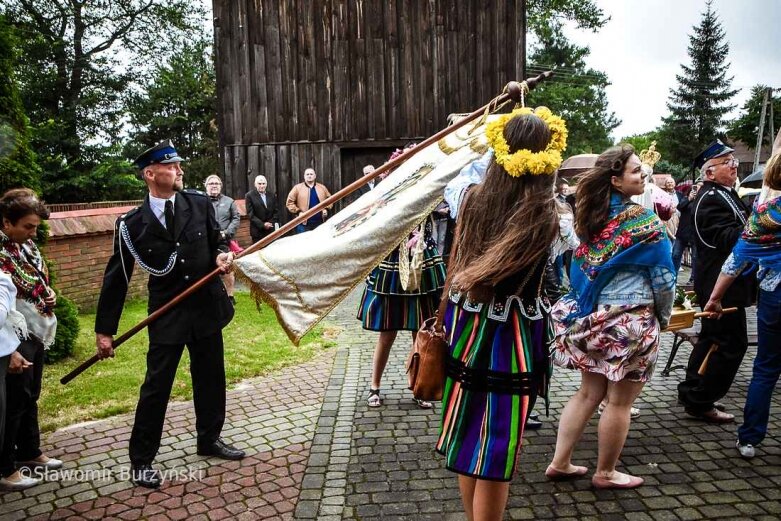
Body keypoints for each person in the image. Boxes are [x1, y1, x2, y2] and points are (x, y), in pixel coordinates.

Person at [436, 107, 566, 520]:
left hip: (466, 326)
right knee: (497, 444)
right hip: (514, 338)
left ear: (499, 152)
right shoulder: (549, 216)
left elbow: (455, 176)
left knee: (470, 434)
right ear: (546, 159)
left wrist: (490, 129)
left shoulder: (470, 199)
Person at [94, 140, 243, 489]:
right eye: (172, 166)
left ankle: (209, 439)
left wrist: (222, 256)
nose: (180, 170)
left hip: (206, 306)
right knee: (156, 386)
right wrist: (105, 330)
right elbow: (117, 278)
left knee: (211, 378)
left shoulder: (198, 203)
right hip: (167, 313)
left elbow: (217, 242)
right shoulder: (131, 225)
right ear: (150, 174)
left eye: (179, 165)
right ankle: (141, 459)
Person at [548, 144, 675, 490]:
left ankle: (560, 462)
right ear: (616, 180)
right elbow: (664, 278)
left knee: (588, 394)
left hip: (595, 320)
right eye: (636, 171)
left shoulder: (591, 219)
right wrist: (663, 318)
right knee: (619, 402)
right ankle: (606, 472)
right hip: (632, 321)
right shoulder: (645, 222)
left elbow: (579, 270)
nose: (643, 175)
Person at [703, 135, 781, 459]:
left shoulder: (765, 214)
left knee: (765, 367)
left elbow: (736, 260)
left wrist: (714, 298)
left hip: (774, 297)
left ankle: (749, 439)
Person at [357, 146, 446, 410]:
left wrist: (423, 238)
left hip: (422, 265)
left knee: (418, 331)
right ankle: (374, 386)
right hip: (393, 267)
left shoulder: (428, 189)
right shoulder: (388, 194)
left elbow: (433, 220)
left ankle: (419, 387)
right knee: (387, 332)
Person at [677, 140, 754, 423]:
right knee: (729, 344)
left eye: (734, 161)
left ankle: (693, 394)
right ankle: (701, 399)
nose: (735, 167)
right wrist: (759, 227)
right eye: (728, 163)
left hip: (723, 284)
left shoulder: (722, 193)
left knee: (712, 341)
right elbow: (725, 240)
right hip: (720, 287)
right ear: (709, 173)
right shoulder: (710, 199)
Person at [0, 189, 62, 490]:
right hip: (12, 334)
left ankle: (30, 451)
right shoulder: (1, 253)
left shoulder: (27, 248)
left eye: (36, 226)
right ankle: (5, 467)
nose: (33, 232)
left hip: (34, 329)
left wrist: (48, 294)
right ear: (6, 223)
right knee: (13, 400)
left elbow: (35, 282)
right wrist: (9, 349)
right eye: (28, 226)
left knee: (30, 395)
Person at [205, 175, 241, 305]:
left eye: (216, 183)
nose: (214, 185)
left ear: (221, 186)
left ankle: (230, 296)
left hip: (223, 241)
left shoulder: (229, 201)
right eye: (211, 183)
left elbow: (236, 218)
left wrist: (226, 233)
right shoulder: (201, 201)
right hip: (205, 241)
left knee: (227, 267)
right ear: (206, 186)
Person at [286, 168, 332, 233]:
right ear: (304, 176)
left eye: (311, 174)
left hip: (320, 222)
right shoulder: (297, 188)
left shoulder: (322, 187)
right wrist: (298, 212)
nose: (309, 176)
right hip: (303, 224)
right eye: (307, 174)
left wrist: (326, 209)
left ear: (315, 176)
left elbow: (330, 200)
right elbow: (289, 203)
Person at [672, 183, 701, 282]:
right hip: (682, 232)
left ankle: (693, 278)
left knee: (695, 257)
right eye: (695, 188)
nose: (696, 190)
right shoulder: (686, 199)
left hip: (695, 233)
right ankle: (673, 276)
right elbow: (679, 207)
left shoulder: (702, 200)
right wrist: (689, 198)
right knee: (676, 254)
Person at [245, 174, 279, 244]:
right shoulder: (249, 196)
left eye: (263, 184)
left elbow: (276, 211)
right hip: (257, 231)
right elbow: (250, 214)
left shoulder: (272, 195)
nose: (262, 186)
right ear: (255, 184)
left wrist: (270, 223)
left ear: (266, 184)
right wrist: (263, 224)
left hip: (270, 230)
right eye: (259, 184)